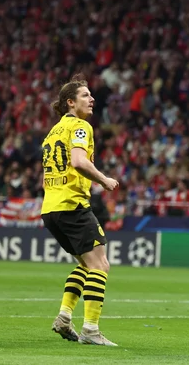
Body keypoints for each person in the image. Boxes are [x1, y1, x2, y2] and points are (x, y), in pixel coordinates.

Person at [42, 75, 120, 347]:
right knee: (101, 265)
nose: (92, 99)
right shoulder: (79, 126)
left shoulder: (53, 131)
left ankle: (64, 317)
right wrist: (104, 179)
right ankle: (91, 329)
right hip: (72, 204)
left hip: (51, 208)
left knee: (86, 264)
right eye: (85, 95)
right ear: (70, 103)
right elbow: (78, 160)